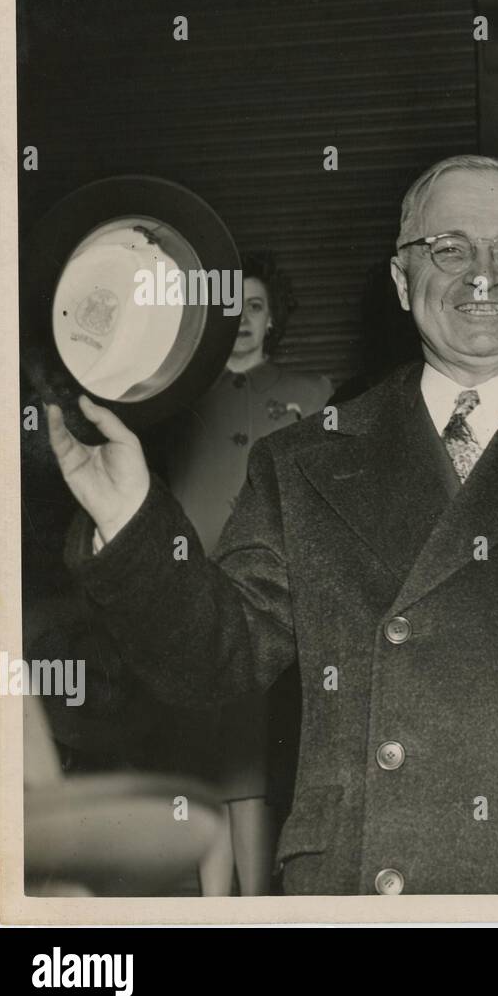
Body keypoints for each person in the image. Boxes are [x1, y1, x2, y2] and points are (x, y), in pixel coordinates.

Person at [47, 155, 498, 895]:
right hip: (368, 886)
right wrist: (129, 518)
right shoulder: (305, 461)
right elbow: (215, 661)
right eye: (449, 248)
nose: (482, 274)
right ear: (402, 282)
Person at [164, 254, 332, 896]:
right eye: (230, 306)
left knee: (255, 761)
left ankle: (256, 905)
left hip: (272, 600)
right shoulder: (175, 399)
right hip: (188, 596)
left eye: (255, 306)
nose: (242, 319)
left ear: (274, 320)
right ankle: (212, 907)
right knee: (200, 757)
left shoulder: (313, 392)